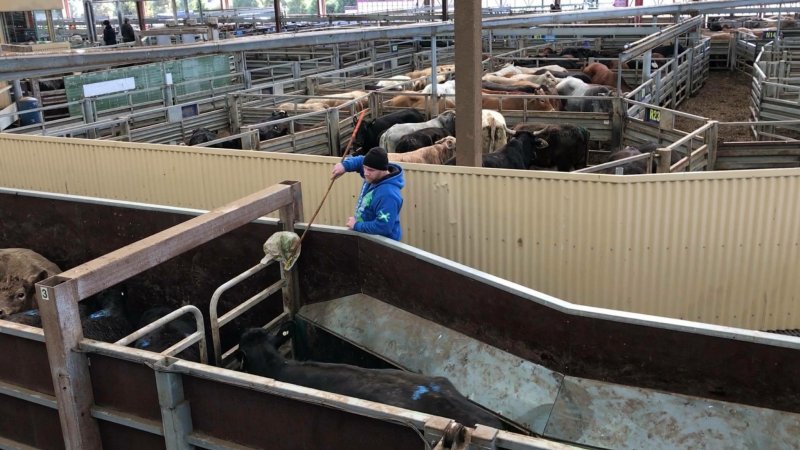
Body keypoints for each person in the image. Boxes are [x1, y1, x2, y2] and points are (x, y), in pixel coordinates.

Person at [331, 147, 404, 241]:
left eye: (370, 170)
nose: (365, 173)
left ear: (382, 170)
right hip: (368, 236)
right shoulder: (373, 174)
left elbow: (383, 227)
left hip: (382, 245)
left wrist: (356, 225)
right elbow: (361, 161)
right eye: (364, 168)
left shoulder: (389, 195)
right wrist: (345, 166)